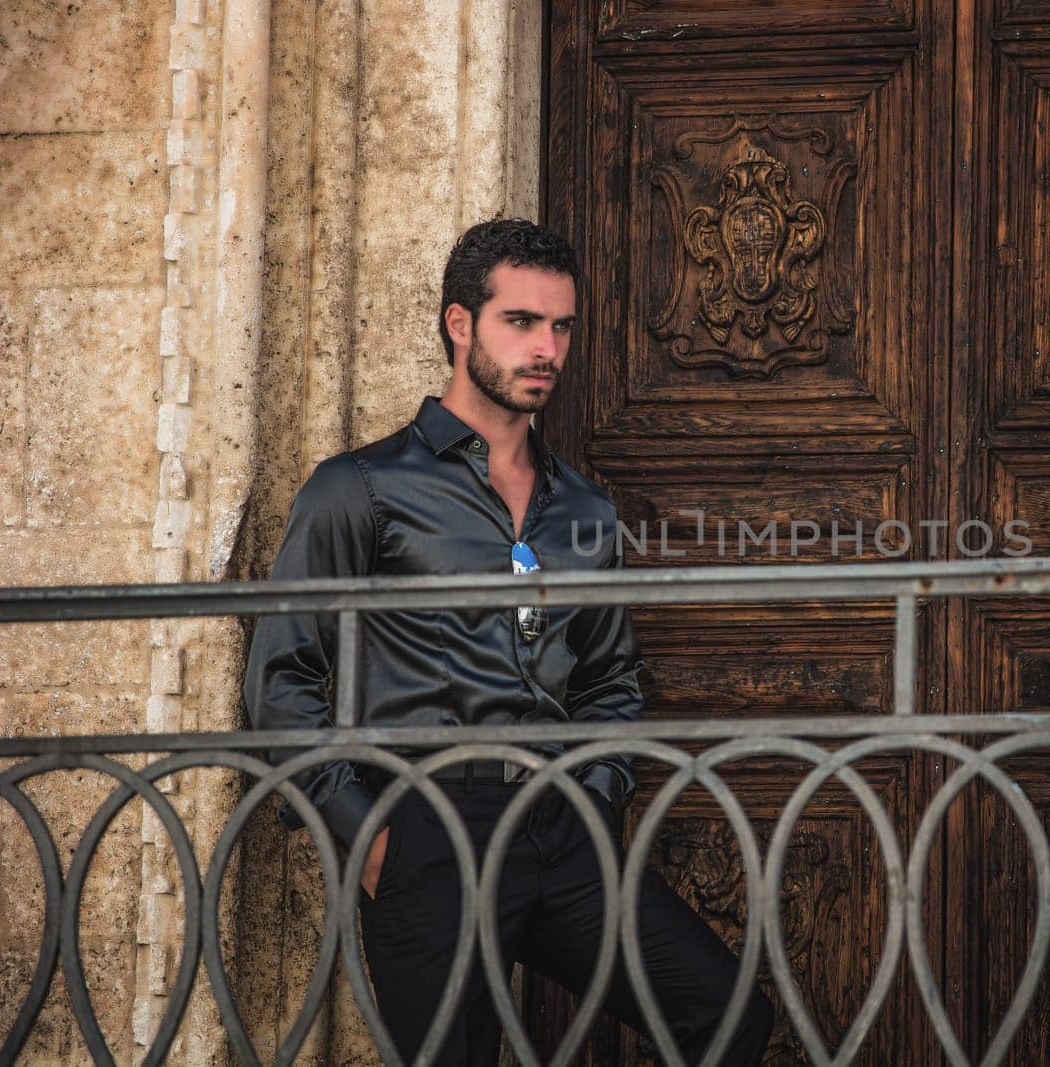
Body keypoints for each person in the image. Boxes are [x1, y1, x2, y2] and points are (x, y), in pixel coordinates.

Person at [244, 219, 774, 1064]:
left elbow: (609, 678)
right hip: (426, 829)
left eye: (561, 326)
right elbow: (282, 680)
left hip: (560, 823)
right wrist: (373, 836)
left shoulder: (585, 513)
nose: (547, 349)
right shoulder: (360, 490)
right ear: (461, 324)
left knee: (727, 1012)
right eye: (521, 322)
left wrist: (595, 795)